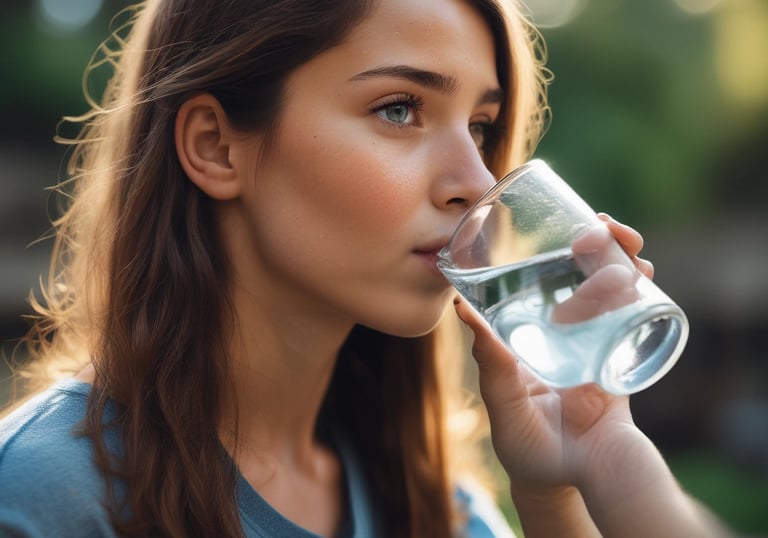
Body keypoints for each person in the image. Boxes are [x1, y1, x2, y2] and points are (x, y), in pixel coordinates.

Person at [0, 0, 732, 536]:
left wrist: (595, 463)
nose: (478, 181)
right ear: (217, 147)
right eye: (398, 109)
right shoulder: (45, 499)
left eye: (480, 126)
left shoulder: (436, 510)